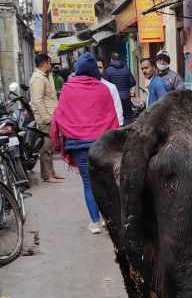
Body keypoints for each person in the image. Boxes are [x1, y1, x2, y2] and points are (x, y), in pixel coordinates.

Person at [51, 53, 118, 234]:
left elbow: (60, 114)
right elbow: (111, 116)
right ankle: (108, 219)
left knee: (88, 183)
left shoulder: (67, 89)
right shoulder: (103, 89)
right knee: (105, 181)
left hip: (78, 144)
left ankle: (95, 223)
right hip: (101, 144)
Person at [29, 52, 64, 183]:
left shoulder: (44, 76)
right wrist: (47, 118)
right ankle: (46, 175)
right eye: (50, 63)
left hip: (51, 117)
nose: (51, 65)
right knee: (46, 147)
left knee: (51, 146)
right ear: (45, 64)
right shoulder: (38, 78)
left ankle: (51, 172)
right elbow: (37, 101)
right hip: (46, 119)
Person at [104, 52, 136, 125]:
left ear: (111, 59)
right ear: (119, 59)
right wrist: (126, 87)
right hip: (126, 97)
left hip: (114, 98)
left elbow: (105, 85)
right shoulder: (126, 69)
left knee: (116, 116)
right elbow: (133, 82)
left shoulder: (108, 71)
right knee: (128, 117)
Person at [96, 57, 123, 126]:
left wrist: (120, 124)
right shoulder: (83, 87)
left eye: (100, 67)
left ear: (104, 69)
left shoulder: (110, 87)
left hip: (107, 126)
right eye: (95, 67)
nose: (97, 70)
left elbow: (118, 107)